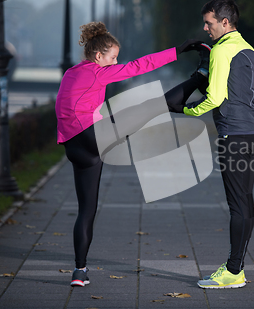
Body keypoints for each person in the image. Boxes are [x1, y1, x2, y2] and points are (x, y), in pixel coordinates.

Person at [55, 21, 201, 287]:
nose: (116, 62)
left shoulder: (71, 73)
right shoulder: (98, 72)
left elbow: (74, 106)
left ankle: (79, 271)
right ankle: (198, 78)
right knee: (155, 105)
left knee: (86, 210)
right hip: (92, 138)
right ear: (98, 57)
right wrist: (178, 50)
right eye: (113, 58)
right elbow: (139, 66)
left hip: (75, 148)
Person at [172, 0, 254, 289]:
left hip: (234, 134)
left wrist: (186, 110)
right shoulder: (248, 49)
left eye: (209, 22)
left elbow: (215, 97)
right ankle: (236, 268)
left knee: (238, 205)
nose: (205, 27)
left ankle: (234, 272)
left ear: (225, 22)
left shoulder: (223, 51)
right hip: (252, 132)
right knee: (245, 203)